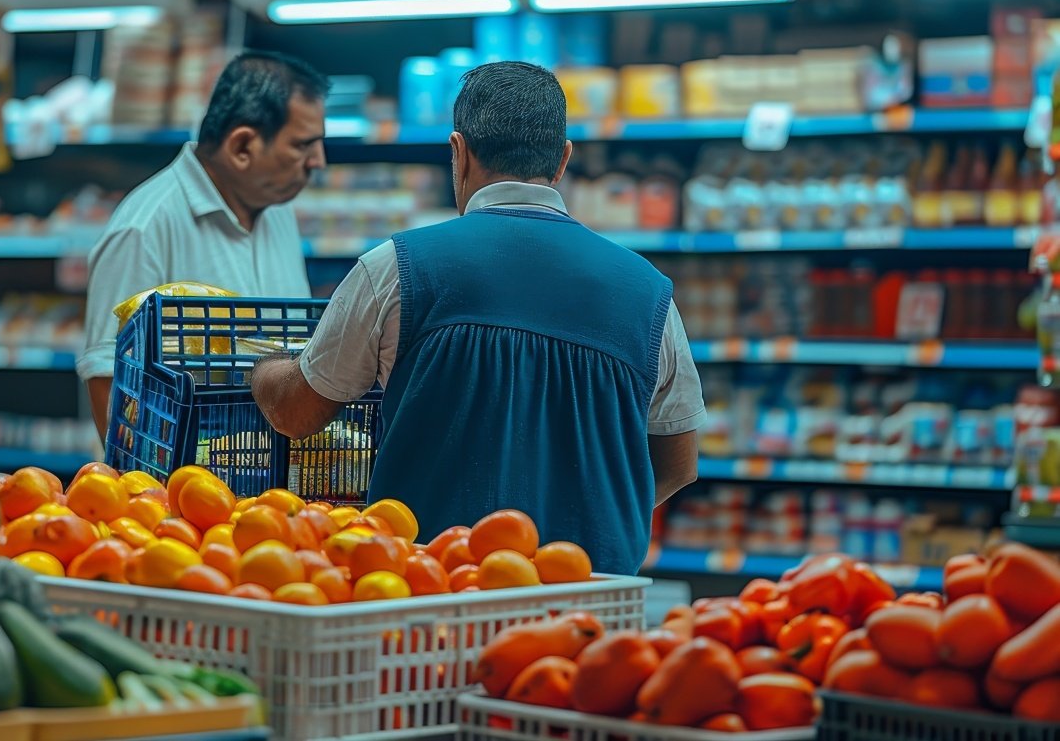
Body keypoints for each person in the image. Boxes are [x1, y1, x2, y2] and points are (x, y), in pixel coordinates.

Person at [250, 61, 704, 576]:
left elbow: (296, 413)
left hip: (431, 595)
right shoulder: (650, 294)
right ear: (562, 161)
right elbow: (678, 464)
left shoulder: (395, 267)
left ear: (458, 152)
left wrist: (262, 366)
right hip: (588, 609)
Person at [80, 50, 329, 439]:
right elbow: (109, 380)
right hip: (188, 488)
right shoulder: (143, 228)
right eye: (303, 146)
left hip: (275, 484)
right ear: (242, 146)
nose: (319, 162)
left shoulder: (277, 211)